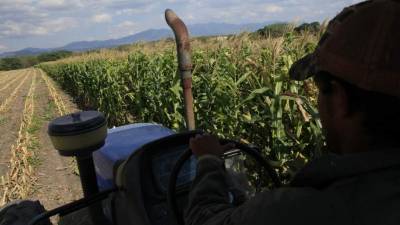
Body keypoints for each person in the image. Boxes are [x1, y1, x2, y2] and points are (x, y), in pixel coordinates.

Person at [186, 0, 400, 224]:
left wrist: (209, 160)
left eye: (319, 90)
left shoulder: (302, 210)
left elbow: (204, 219)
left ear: (339, 100)